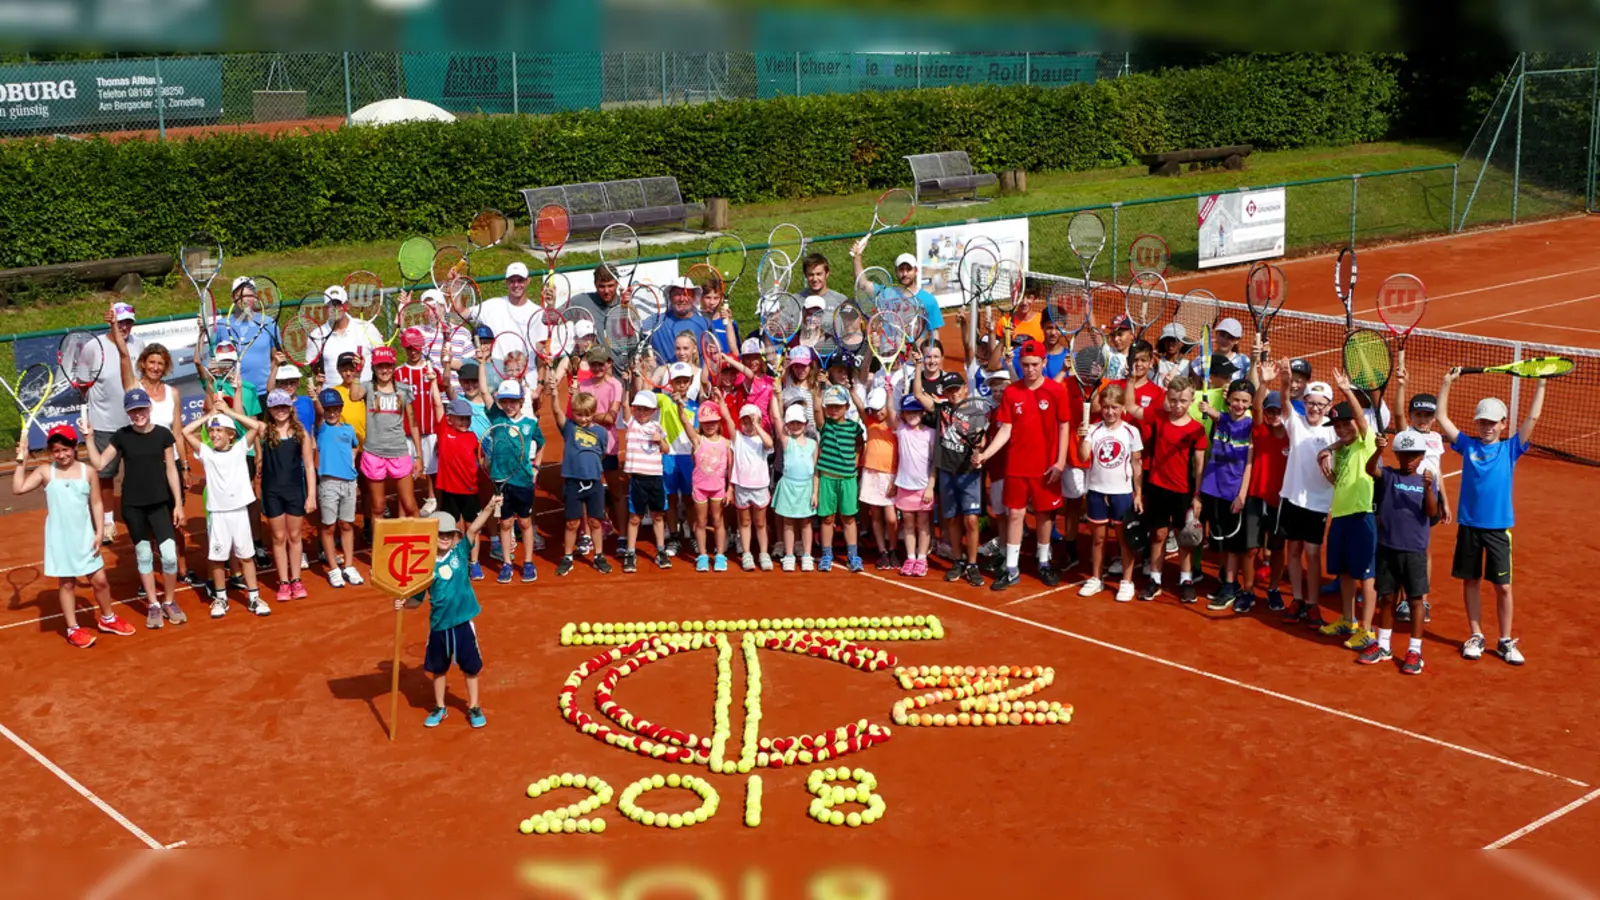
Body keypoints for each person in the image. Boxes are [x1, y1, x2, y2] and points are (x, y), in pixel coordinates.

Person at [1436, 366, 1542, 665]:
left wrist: (1541, 386)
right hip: (1469, 526)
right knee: (1470, 581)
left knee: (1503, 586)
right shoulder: (1468, 445)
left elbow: (1532, 419)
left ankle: (1506, 640)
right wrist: (1446, 384)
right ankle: (1476, 635)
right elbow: (1442, 418)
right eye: (1482, 422)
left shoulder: (1511, 449)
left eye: (1492, 423)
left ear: (1503, 424)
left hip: (1497, 529)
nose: (1487, 427)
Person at [14, 424, 134, 647]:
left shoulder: (88, 472)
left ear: (74, 447)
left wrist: (99, 532)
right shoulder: (44, 471)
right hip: (59, 539)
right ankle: (73, 629)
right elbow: (18, 488)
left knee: (99, 580)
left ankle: (108, 619)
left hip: (85, 536)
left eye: (65, 449)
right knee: (67, 584)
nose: (61, 455)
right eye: (56, 450)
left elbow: (97, 502)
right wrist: (21, 460)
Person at [83, 388, 187, 627]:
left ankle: (169, 601)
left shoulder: (163, 434)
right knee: (143, 556)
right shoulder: (122, 436)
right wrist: (88, 438)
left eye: (141, 408)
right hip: (133, 506)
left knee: (169, 556)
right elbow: (99, 463)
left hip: (161, 504)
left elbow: (172, 469)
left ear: (149, 408)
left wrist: (178, 504)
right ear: (128, 413)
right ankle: (153, 605)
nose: (138, 414)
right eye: (133, 411)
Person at [974, 339, 1071, 591]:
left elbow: (1064, 426)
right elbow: (1006, 429)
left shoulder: (1056, 390)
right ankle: (1011, 568)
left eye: (1034, 364)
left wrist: (1060, 462)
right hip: (1016, 465)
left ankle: (1043, 562)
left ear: (1044, 362)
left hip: (1047, 466)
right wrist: (986, 453)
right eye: (1025, 365)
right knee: (1015, 514)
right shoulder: (1012, 392)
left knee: (1043, 515)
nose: (1029, 370)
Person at [396, 500, 501, 729]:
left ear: (455, 537)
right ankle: (440, 707)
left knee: (470, 668)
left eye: (448, 534)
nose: (444, 537)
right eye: (440, 533)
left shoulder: (461, 552)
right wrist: (403, 604)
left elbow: (474, 528)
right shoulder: (423, 567)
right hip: (439, 626)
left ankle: (473, 706)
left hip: (462, 623)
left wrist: (490, 508)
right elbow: (417, 599)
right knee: (438, 669)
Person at [1357, 430, 1439, 674]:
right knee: (1387, 598)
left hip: (1414, 551)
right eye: (1404, 455)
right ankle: (1383, 646)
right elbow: (1371, 469)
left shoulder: (1426, 481)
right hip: (1387, 547)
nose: (1409, 460)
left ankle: (1415, 650)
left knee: (1415, 601)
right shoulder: (1389, 475)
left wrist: (1428, 489)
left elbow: (1432, 513)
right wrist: (1378, 450)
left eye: (1414, 455)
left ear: (1422, 456)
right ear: (1398, 456)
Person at [181, 398, 268, 618]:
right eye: (212, 431)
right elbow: (185, 431)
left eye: (220, 430)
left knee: (246, 557)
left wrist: (229, 412)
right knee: (218, 558)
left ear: (231, 434)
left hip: (239, 512)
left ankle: (254, 597)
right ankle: (221, 598)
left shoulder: (240, 448)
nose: (214, 434)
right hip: (218, 514)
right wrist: (210, 416)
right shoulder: (207, 453)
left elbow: (257, 426)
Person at [1270, 362, 1338, 626]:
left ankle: (1312, 604)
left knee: (1312, 552)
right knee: (1294, 550)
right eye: (1310, 402)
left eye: (1321, 404)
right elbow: (1285, 400)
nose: (1314, 408)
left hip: (1319, 504)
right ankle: (1297, 599)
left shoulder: (1334, 432)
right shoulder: (1295, 424)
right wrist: (1285, 381)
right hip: (1292, 498)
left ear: (1329, 407)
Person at [1314, 372, 1379, 646]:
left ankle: (1367, 629)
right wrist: (1325, 455)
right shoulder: (1340, 450)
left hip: (1362, 515)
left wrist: (1346, 391)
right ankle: (1348, 620)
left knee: (1366, 575)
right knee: (1344, 572)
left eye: (1345, 424)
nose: (1341, 429)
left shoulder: (1368, 442)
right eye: (1337, 426)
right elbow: (1337, 481)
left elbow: (1361, 421)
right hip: (1339, 515)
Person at [129, 342, 201, 588]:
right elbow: (121, 361)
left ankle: (183, 569)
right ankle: (149, 574)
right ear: (143, 364)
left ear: (166, 366)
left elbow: (178, 433)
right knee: (147, 524)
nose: (156, 367)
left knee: (177, 519)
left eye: (160, 363)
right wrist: (118, 336)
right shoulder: (134, 388)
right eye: (152, 362)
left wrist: (186, 467)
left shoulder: (173, 394)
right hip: (143, 467)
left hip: (172, 464)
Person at [1136, 375, 1208, 602]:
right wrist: (1130, 380)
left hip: (1183, 492)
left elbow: (1199, 466)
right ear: (1168, 398)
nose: (1178, 405)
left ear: (1192, 400)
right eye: (1174, 400)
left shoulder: (1197, 430)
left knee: (1183, 537)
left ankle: (1186, 579)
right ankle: (1155, 579)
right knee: (1158, 535)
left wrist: (1197, 496)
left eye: (1183, 401)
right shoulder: (1158, 418)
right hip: (1157, 488)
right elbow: (1129, 406)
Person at [1391, 372, 1451, 624]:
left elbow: (1438, 472)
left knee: (1423, 549)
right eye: (1419, 415)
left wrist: (1445, 501)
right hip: (1407, 496)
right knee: (1406, 548)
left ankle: (1421, 598)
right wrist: (1402, 385)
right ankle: (1405, 599)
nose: (1423, 419)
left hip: (1430, 498)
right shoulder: (1407, 434)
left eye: (1428, 415)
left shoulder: (1437, 439)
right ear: (1412, 415)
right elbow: (1397, 416)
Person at [1079, 384, 1143, 601]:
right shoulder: (1093, 430)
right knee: (1097, 540)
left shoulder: (1131, 432)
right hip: (1096, 491)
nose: (1109, 411)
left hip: (1122, 493)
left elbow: (1137, 464)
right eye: (1106, 407)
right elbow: (1082, 456)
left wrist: (1139, 494)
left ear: (1123, 408)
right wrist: (1081, 437)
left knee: (1124, 540)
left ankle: (1126, 581)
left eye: (1115, 407)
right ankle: (1096, 579)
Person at [1195, 379, 1254, 610]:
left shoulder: (1250, 427)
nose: (1239, 405)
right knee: (1218, 540)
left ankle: (1230, 585)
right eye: (1236, 400)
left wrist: (1242, 494)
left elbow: (1249, 463)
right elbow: (1216, 414)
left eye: (1244, 401)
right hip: (1212, 488)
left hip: (1232, 493)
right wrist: (1206, 409)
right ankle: (1226, 582)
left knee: (1231, 545)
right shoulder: (1222, 418)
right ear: (1228, 400)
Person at [90, 302, 144, 543]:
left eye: (129, 322)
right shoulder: (93, 347)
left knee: (137, 471)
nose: (125, 327)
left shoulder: (138, 345)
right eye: (121, 322)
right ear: (111, 321)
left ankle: (141, 515)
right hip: (104, 423)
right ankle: (108, 522)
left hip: (135, 422)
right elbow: (83, 382)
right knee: (106, 475)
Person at [256, 389, 317, 602]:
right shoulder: (265, 431)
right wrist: (227, 407)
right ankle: (283, 581)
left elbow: (309, 467)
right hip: (272, 493)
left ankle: (296, 580)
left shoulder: (301, 433)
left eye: (283, 406)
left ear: (290, 408)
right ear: (270, 410)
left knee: (294, 536)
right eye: (275, 407)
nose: (280, 411)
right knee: (278, 537)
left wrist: (311, 496)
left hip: (294, 492)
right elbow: (243, 418)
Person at [484, 380, 546, 584]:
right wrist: (483, 364)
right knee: (506, 523)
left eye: (513, 401)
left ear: (521, 401)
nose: (509, 406)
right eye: (505, 402)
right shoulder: (496, 417)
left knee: (525, 523)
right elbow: (485, 390)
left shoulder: (530, 424)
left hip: (523, 481)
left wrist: (536, 466)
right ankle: (507, 563)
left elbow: (541, 443)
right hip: (500, 482)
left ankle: (528, 562)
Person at [352, 346, 423, 521]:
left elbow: (413, 423)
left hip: (398, 451)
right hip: (373, 453)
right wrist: (356, 373)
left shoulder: (403, 390)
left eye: (388, 366)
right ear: (374, 368)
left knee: (410, 505)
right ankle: (379, 548)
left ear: (393, 367)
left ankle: (418, 545)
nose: (384, 370)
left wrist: (419, 455)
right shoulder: (367, 387)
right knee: (378, 507)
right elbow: (354, 396)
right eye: (380, 366)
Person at [1243, 384, 1290, 613]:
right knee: (1251, 549)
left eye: (1278, 411)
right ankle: (1248, 590)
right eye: (1270, 411)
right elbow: (1255, 408)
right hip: (1255, 498)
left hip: (1281, 502)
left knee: (1278, 548)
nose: (1273, 416)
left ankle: (1273, 589)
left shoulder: (1292, 438)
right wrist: (1263, 382)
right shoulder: (1260, 431)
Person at [311, 389, 363, 588]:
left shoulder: (348, 429)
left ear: (341, 409)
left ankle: (349, 565)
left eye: (335, 409)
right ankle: (333, 568)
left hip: (349, 482)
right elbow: (317, 413)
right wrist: (316, 395)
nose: (331, 413)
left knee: (347, 524)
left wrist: (351, 460)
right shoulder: (321, 428)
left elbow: (355, 446)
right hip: (329, 484)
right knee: (329, 526)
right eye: (328, 410)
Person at [433, 396, 490, 580]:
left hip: (470, 490)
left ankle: (474, 563)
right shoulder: (444, 431)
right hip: (450, 491)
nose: (465, 421)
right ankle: (456, 561)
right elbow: (437, 403)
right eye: (461, 418)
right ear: (450, 419)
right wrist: (434, 382)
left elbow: (481, 461)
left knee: (472, 527)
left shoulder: (473, 437)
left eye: (467, 418)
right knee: (453, 528)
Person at [815, 384, 865, 573]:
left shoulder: (854, 427)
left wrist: (856, 460)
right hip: (827, 478)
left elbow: (860, 444)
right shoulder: (825, 425)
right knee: (827, 519)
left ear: (846, 406)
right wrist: (819, 389)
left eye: (838, 406)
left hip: (848, 479)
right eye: (831, 406)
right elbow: (817, 408)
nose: (834, 410)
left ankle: (853, 555)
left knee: (849, 518)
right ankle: (827, 554)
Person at [396, 327, 445, 515]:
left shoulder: (432, 371)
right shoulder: (399, 373)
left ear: (422, 347)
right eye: (409, 348)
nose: (413, 351)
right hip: (406, 431)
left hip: (430, 428)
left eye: (416, 347)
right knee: (406, 472)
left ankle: (433, 500)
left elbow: (443, 390)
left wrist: (445, 365)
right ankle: (407, 506)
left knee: (433, 470)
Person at [623, 390, 672, 573]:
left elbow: (667, 450)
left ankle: (660, 551)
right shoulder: (631, 424)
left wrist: (660, 441)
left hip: (655, 478)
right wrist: (627, 382)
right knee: (635, 517)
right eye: (639, 409)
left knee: (658, 516)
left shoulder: (657, 427)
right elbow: (624, 406)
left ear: (653, 411)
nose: (641, 413)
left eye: (646, 409)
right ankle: (630, 552)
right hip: (637, 479)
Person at [685, 394, 734, 573]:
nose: (710, 425)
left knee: (718, 521)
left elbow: (731, 469)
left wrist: (730, 489)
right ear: (700, 423)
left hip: (718, 489)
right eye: (706, 422)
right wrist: (678, 405)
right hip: (700, 489)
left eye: (713, 421)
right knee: (701, 521)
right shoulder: (698, 441)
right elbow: (685, 423)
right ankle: (703, 555)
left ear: (719, 422)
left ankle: (720, 555)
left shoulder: (726, 443)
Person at [850, 246, 944, 335]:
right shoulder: (885, 294)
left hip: (915, 350)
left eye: (909, 269)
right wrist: (857, 257)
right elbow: (862, 283)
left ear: (916, 271)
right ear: (896, 271)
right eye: (901, 270)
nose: (905, 273)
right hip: (889, 350)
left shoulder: (928, 300)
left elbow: (934, 332)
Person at [891, 396, 937, 577]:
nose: (912, 415)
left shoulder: (930, 433)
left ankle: (922, 559)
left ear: (923, 413)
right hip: (904, 486)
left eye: (916, 411)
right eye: (909, 412)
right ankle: (910, 558)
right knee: (908, 522)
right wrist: (890, 393)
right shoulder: (901, 431)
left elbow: (934, 463)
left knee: (924, 524)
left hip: (924, 487)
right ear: (903, 414)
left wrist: (930, 486)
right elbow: (889, 412)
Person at [773, 404, 820, 572]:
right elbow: (777, 419)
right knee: (788, 522)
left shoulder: (813, 444)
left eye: (798, 422)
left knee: (806, 523)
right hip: (788, 486)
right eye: (791, 423)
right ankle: (789, 555)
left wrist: (815, 493)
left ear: (805, 423)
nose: (795, 426)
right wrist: (774, 393)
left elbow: (815, 471)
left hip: (806, 487)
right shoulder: (786, 441)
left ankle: (807, 555)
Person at [730, 403, 775, 572]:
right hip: (742, 486)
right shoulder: (737, 438)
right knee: (745, 521)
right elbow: (727, 418)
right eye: (745, 422)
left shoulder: (762, 439)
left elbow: (770, 444)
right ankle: (747, 553)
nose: (748, 426)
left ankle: (764, 554)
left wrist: (757, 425)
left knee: (760, 522)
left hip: (760, 487)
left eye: (752, 422)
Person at [465, 262, 542, 354]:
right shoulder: (491, 305)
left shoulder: (538, 312)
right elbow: (460, 313)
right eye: (512, 281)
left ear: (528, 281)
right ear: (506, 282)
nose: (516, 285)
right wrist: (455, 282)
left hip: (528, 367)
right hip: (495, 367)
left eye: (520, 280)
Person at [312, 286, 382, 386]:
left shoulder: (367, 328)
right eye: (331, 305)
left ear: (347, 305)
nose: (335, 308)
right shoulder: (316, 334)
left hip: (364, 395)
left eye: (339, 304)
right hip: (332, 398)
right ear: (326, 308)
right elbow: (313, 366)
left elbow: (382, 360)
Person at [223, 276, 281, 396]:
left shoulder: (269, 323)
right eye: (240, 295)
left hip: (265, 392)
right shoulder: (221, 326)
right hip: (234, 392)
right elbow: (214, 362)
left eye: (249, 295)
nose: (244, 300)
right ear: (233, 298)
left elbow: (276, 359)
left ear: (255, 298)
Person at [647, 278, 714, 364]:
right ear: (670, 296)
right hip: (666, 376)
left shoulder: (705, 322)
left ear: (693, 297)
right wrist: (625, 306)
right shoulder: (656, 320)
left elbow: (716, 354)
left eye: (686, 294)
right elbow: (631, 332)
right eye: (677, 294)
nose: (682, 299)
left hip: (698, 376)